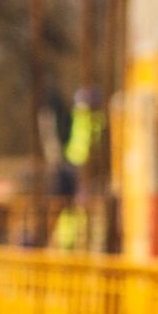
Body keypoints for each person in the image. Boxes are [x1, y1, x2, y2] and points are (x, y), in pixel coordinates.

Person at [53, 87, 102, 250]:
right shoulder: (94, 120)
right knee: (75, 204)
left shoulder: (83, 117)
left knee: (72, 205)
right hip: (79, 164)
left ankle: (68, 242)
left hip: (75, 163)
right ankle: (71, 241)